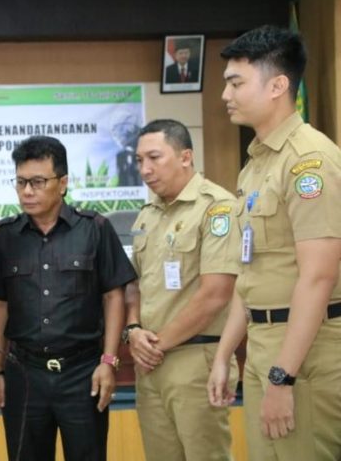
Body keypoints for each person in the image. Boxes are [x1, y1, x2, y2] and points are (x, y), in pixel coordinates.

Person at [208, 25, 341, 460]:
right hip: (264, 347)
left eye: (236, 82)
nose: (225, 94)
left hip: (307, 353)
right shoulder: (256, 165)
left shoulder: (309, 162)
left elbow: (319, 276)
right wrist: (226, 354)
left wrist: (284, 377)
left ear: (278, 85)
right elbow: (250, 275)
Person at [0, 135, 136, 461]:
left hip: (83, 373)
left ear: (63, 182)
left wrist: (108, 362)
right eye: (21, 182)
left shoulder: (95, 228)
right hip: (24, 374)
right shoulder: (3, 236)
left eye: (38, 182)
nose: (27, 191)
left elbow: (114, 296)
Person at [125, 119, 240, 461]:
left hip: (195, 359)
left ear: (186, 156)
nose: (145, 169)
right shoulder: (148, 215)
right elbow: (135, 284)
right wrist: (132, 329)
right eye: (139, 161)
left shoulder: (216, 207)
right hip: (151, 363)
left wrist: (156, 344)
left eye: (155, 158)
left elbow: (216, 294)